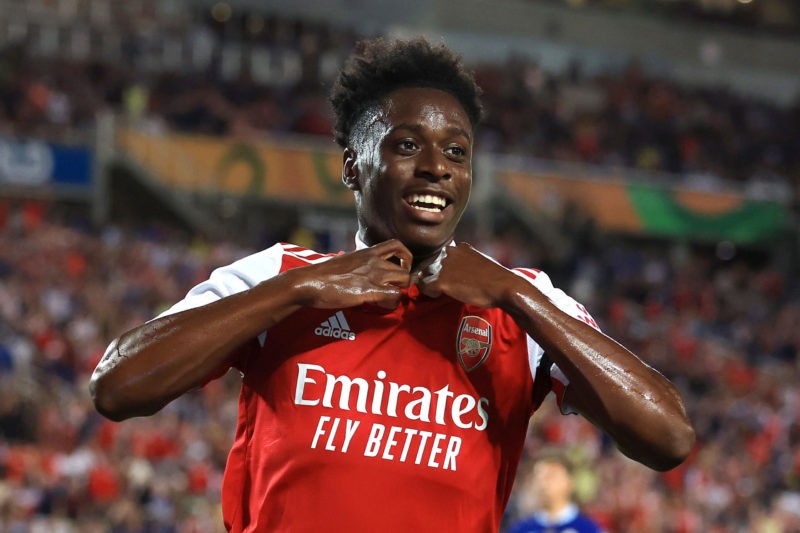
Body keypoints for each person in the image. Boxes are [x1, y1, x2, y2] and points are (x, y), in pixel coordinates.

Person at [90, 37, 695, 532]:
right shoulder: (279, 276)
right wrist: (300, 292)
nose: (436, 166)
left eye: (456, 152)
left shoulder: (524, 302)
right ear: (353, 163)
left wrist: (518, 296)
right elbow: (117, 387)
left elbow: (669, 437)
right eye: (407, 145)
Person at [506, 454, 605, 533]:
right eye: (539, 477)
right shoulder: (521, 529)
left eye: (551, 476)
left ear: (569, 482)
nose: (543, 483)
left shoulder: (589, 529)